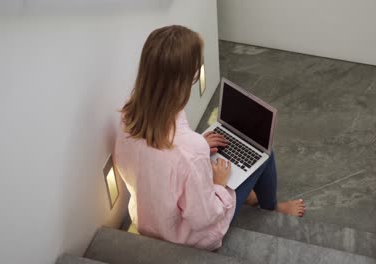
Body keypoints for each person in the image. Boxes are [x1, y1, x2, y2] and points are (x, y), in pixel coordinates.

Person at [114, 25, 306, 251]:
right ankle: (272, 209)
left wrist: (197, 149)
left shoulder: (129, 116)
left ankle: (247, 196)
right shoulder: (191, 150)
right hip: (189, 238)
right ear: (187, 80)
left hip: (147, 222)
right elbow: (204, 218)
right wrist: (219, 184)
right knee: (265, 154)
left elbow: (155, 165)